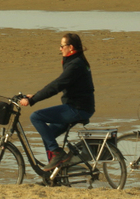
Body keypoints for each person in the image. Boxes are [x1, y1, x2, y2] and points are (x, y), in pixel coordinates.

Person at [19, 33, 95, 170]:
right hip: (78, 106)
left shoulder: (75, 65)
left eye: (62, 46)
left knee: (36, 117)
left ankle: (58, 154)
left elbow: (57, 85)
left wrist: (33, 100)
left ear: (70, 47)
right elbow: (58, 84)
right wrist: (34, 96)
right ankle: (55, 172)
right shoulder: (75, 61)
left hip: (78, 109)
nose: (60, 49)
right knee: (48, 134)